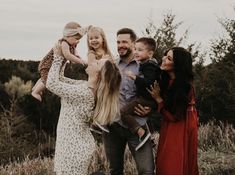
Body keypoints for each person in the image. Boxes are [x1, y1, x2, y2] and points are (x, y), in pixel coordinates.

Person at [46, 43, 121, 175]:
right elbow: (60, 79)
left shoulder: (85, 93)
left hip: (73, 150)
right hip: (70, 145)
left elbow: (51, 84)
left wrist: (57, 57)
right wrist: (64, 57)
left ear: (99, 75)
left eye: (97, 63)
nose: (93, 62)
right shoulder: (84, 86)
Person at [102, 28, 155, 175]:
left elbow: (157, 91)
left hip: (138, 125)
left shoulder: (146, 65)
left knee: (147, 171)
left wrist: (152, 108)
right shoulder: (111, 64)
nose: (120, 45)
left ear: (133, 43)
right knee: (115, 170)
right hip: (113, 125)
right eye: (118, 42)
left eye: (125, 41)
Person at [148, 47, 199, 175]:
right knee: (166, 159)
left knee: (172, 162)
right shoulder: (167, 80)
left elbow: (174, 116)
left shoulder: (184, 86)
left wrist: (158, 99)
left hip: (180, 127)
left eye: (169, 58)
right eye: (166, 55)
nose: (164, 58)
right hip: (170, 125)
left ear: (178, 65)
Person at [121, 37, 161, 151]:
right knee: (141, 117)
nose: (136, 52)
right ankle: (151, 137)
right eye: (135, 49)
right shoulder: (145, 64)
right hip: (145, 98)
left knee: (123, 113)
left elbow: (149, 82)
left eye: (140, 50)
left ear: (150, 53)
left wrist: (134, 77)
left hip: (146, 99)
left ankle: (141, 133)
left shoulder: (149, 66)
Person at [31, 21, 88, 101]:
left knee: (43, 77)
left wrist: (77, 56)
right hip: (47, 65)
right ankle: (36, 92)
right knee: (47, 80)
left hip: (49, 65)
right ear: (68, 36)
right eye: (76, 39)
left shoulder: (71, 44)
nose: (78, 41)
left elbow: (74, 53)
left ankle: (35, 88)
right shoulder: (64, 43)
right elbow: (68, 55)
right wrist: (80, 61)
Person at [86, 26, 116, 133]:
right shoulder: (91, 54)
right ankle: (97, 122)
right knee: (101, 102)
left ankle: (101, 123)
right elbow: (92, 69)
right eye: (91, 38)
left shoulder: (108, 53)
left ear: (102, 38)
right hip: (97, 82)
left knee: (109, 102)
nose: (93, 40)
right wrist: (103, 61)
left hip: (108, 81)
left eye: (96, 37)